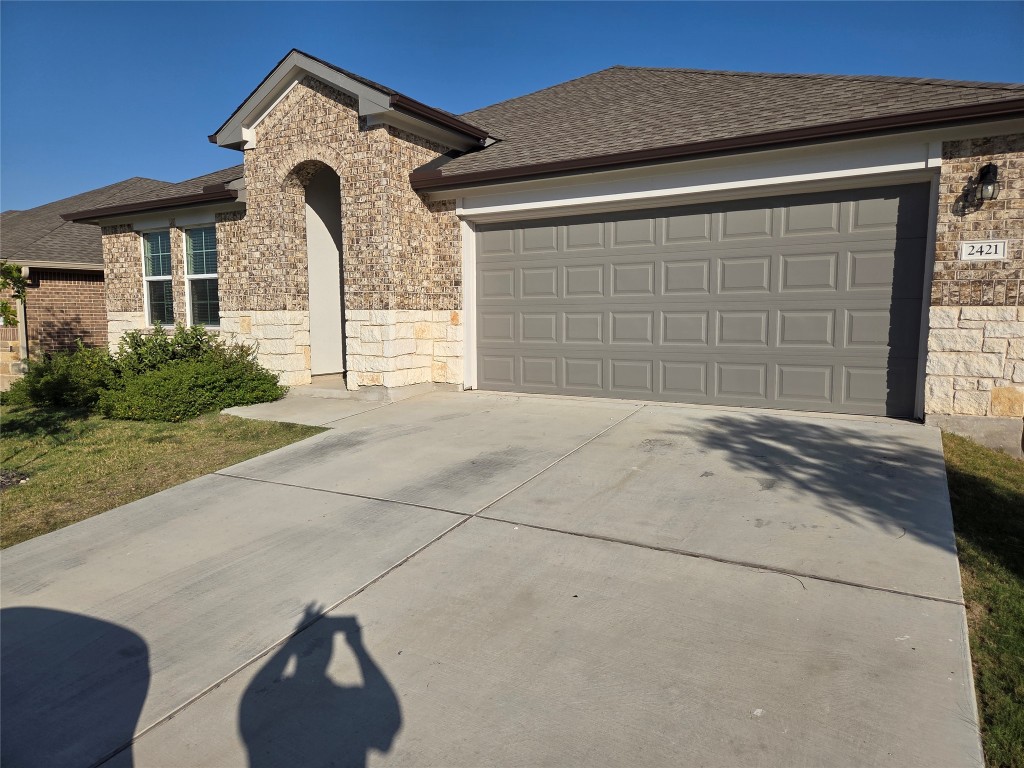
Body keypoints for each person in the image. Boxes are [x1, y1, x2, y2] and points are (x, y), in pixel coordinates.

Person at [239, 604, 402, 768]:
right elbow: (387, 711)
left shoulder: (265, 714)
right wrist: (358, 647)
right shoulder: (344, 702)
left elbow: (255, 690)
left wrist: (289, 647)